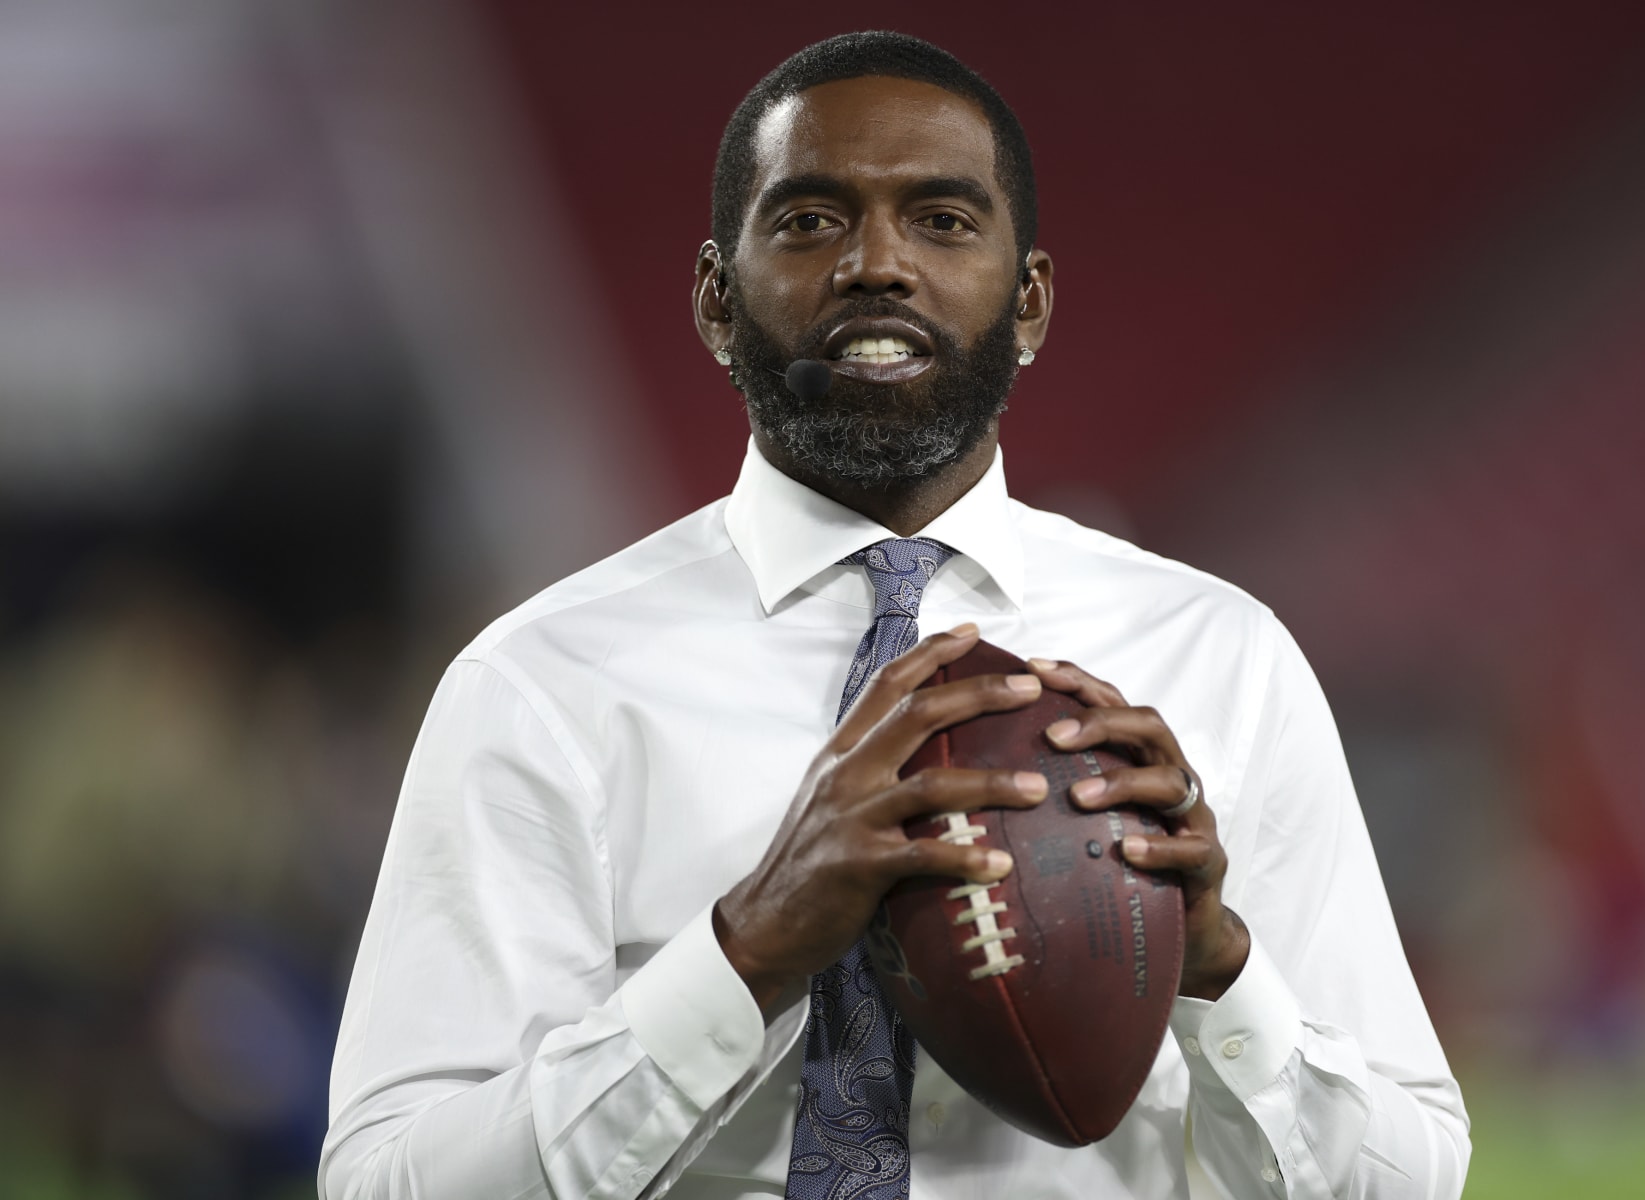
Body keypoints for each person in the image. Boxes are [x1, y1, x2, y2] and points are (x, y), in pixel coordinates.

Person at [321, 31, 1470, 1200]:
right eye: (811, 220)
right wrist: (744, 953)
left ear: (1030, 305)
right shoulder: (543, 685)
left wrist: (1221, 970)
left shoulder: (1224, 660)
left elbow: (1414, 1178)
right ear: (718, 303)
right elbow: (383, 1186)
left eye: (943, 220)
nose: (877, 263)